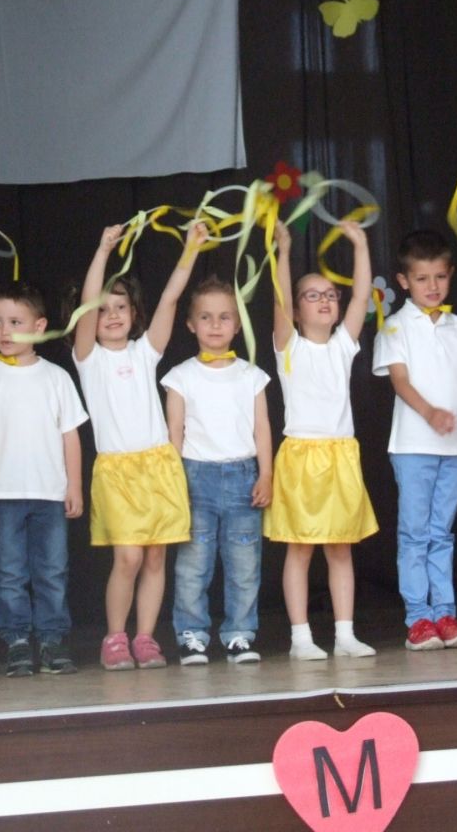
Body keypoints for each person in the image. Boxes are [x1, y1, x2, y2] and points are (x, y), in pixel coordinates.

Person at [73, 223, 204, 671]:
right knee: (127, 557)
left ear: (133, 313)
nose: (111, 315)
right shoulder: (88, 358)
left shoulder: (144, 352)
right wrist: (103, 249)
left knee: (154, 556)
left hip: (158, 465)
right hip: (117, 471)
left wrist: (190, 249)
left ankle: (145, 638)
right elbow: (88, 302)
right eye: (103, 310)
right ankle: (115, 638)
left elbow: (170, 299)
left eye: (120, 307)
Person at [372, 229, 457, 651]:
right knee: (414, 533)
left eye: (440, 277)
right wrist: (429, 413)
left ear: (450, 275)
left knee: (442, 532)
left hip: (454, 447)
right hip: (412, 447)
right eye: (422, 278)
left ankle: (445, 613)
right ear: (404, 281)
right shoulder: (395, 326)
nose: (432, 286)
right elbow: (400, 381)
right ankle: (418, 618)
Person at [268, 219, 379, 660]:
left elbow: (362, 296)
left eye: (330, 294)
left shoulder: (343, 345)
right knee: (299, 550)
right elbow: (279, 298)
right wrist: (284, 251)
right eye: (312, 295)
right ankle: (300, 638)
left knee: (340, 549)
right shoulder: (289, 346)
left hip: (340, 456)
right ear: (296, 311)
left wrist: (362, 246)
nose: (325, 300)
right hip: (301, 457)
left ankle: (345, 634)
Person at [0, 282, 88, 677]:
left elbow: (70, 435)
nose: (4, 331)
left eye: (15, 322)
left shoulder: (56, 377)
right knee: (9, 574)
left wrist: (74, 485)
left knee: (52, 571)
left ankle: (52, 641)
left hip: (49, 494)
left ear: (39, 326)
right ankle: (17, 641)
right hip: (2, 494)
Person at [162, 275, 273, 665]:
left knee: (244, 564)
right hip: (196, 477)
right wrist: (174, 481)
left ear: (237, 325)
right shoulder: (180, 376)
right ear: (190, 324)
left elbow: (262, 428)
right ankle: (191, 634)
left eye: (224, 317)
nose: (214, 325)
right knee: (193, 564)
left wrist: (266, 474)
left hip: (243, 475)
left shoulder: (251, 374)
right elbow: (174, 432)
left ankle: (240, 633)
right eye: (205, 317)